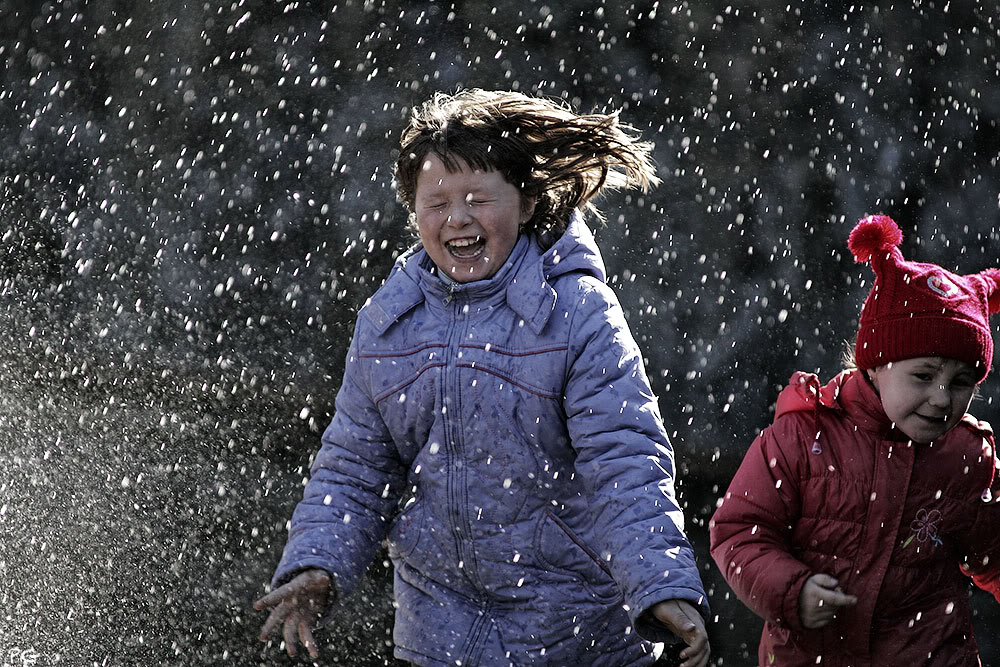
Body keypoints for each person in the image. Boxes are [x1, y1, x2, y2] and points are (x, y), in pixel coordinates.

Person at [254, 89, 711, 667]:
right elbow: (355, 467)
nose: (458, 218)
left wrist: (661, 586)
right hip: (441, 635)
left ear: (524, 204)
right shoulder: (387, 324)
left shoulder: (577, 313)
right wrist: (317, 563)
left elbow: (625, 462)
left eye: (477, 199)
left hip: (577, 633)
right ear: (414, 213)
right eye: (437, 202)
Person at [709, 214, 1000, 666]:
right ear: (877, 363)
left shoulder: (966, 457)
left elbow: (994, 555)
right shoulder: (803, 436)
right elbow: (739, 532)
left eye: (962, 382)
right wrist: (792, 590)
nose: (942, 398)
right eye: (923, 376)